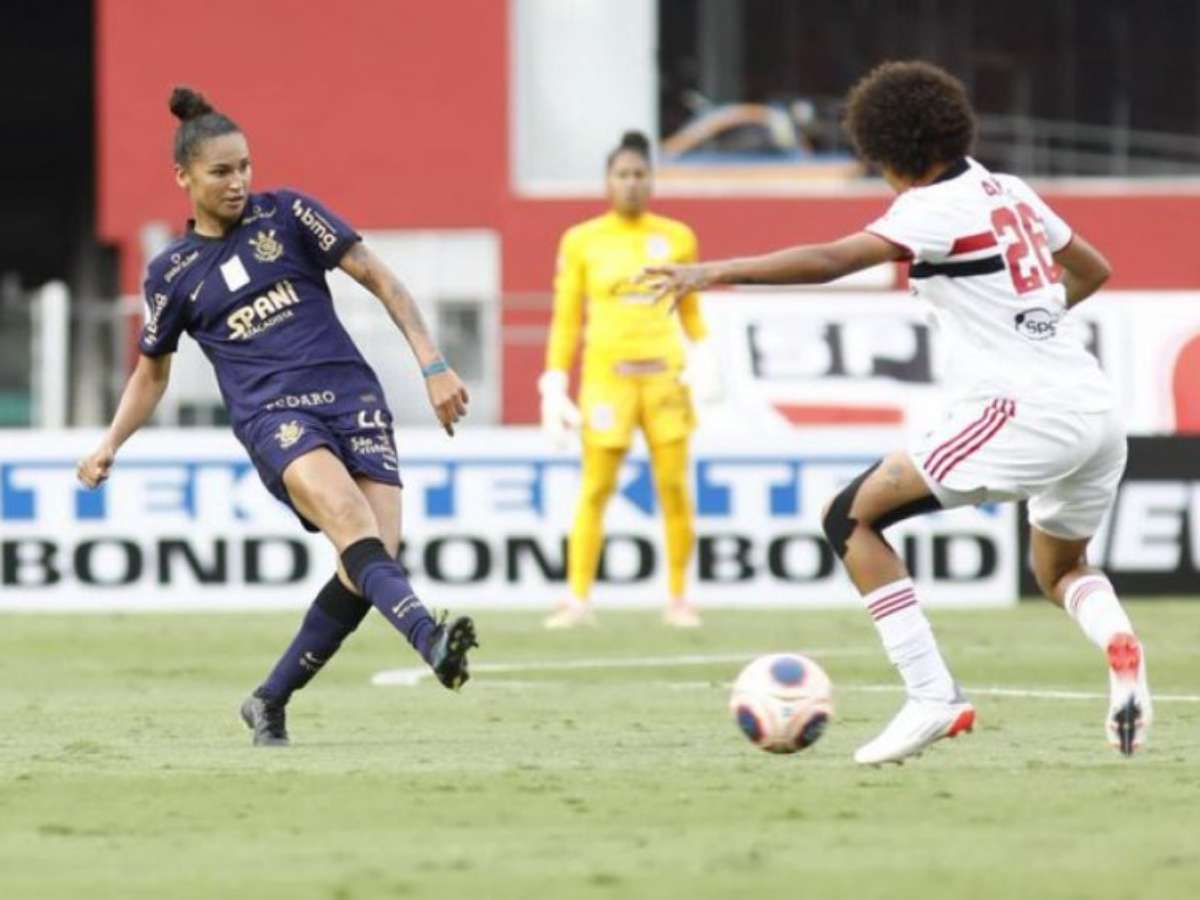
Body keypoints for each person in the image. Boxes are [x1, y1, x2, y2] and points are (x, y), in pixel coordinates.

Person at [642, 61, 1151, 764]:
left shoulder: (928, 208)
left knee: (848, 517)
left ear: (893, 152)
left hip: (1021, 411)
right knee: (1061, 570)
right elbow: (1093, 270)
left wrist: (714, 271)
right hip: (1096, 410)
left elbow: (828, 261)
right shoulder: (1011, 190)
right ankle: (1120, 647)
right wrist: (1033, 317)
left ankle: (931, 695)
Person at [76, 87, 479, 747]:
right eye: (220, 172)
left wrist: (433, 363)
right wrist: (109, 444)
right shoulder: (171, 274)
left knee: (368, 564)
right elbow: (152, 374)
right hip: (275, 415)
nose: (237, 183)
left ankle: (269, 700)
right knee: (351, 524)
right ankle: (430, 639)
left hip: (353, 396)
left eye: (244, 167)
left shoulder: (289, 214)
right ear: (183, 177)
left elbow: (380, 278)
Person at [539, 131, 720, 629]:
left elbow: (691, 309)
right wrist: (554, 381)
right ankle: (577, 598)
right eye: (623, 174)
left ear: (652, 180)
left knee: (674, 487)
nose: (632, 183)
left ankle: (680, 598)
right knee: (595, 488)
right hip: (606, 380)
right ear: (607, 180)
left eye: (641, 174)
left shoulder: (677, 236)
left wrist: (705, 357)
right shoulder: (582, 240)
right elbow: (567, 316)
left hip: (664, 378)